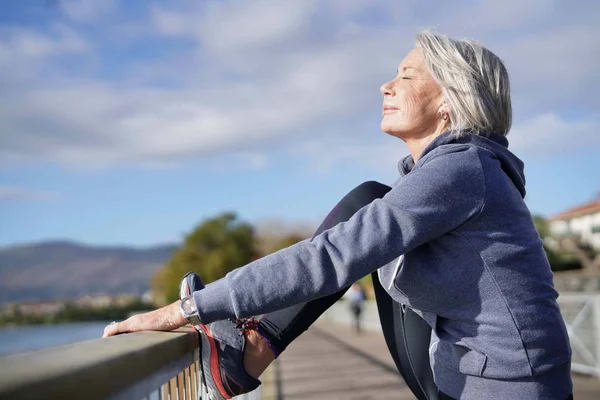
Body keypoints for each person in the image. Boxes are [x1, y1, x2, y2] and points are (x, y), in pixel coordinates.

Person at [103, 31, 574, 400]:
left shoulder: (463, 167)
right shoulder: (444, 175)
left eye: (408, 76)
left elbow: (330, 257)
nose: (386, 85)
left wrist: (183, 311)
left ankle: (249, 352)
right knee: (370, 200)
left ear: (450, 100)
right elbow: (349, 248)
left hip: (507, 391)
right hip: (458, 376)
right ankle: (248, 351)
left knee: (362, 218)